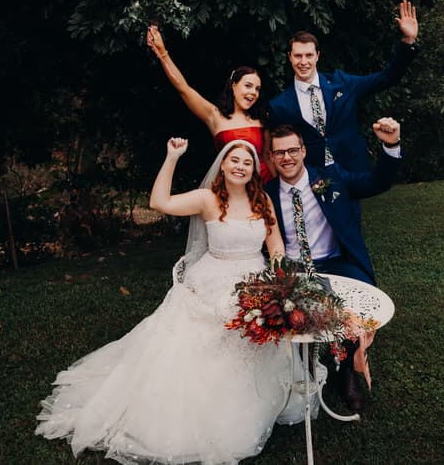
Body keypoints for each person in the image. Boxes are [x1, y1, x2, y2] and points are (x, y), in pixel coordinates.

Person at [35, 139, 309, 464]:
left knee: (257, 337)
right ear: (223, 165)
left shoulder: (260, 199)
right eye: (234, 160)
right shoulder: (208, 199)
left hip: (255, 279)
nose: (239, 166)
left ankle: (254, 401)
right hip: (213, 279)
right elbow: (159, 202)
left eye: (246, 162)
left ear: (254, 170)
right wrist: (172, 157)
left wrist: (277, 279)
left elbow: (275, 243)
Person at [264, 117, 403, 411]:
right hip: (295, 268)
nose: (286, 157)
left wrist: (391, 146)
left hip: (336, 261)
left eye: (292, 150)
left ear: (303, 151)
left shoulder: (332, 177)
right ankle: (304, 369)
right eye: (279, 153)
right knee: (288, 312)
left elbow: (376, 182)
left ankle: (347, 367)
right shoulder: (267, 193)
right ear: (272, 157)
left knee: (362, 300)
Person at [268, 0, 418, 172]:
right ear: (290, 57)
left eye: (309, 55)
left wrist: (408, 41)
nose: (304, 62)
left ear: (317, 56)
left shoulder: (342, 83)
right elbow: (278, 150)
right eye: (298, 56)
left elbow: (387, 77)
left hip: (352, 173)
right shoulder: (279, 105)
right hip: (312, 181)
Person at [146, 25, 275, 182]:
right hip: (231, 188)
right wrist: (162, 52)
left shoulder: (261, 120)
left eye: (257, 89)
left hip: (264, 186)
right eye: (248, 86)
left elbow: (268, 158)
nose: (253, 92)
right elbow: (184, 89)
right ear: (234, 86)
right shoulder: (215, 116)